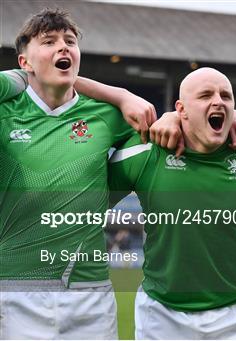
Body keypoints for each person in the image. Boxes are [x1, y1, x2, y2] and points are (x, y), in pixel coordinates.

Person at [0, 8, 163, 339]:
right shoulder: (6, 108)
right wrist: (120, 91)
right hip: (14, 289)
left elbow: (155, 138)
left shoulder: (109, 116)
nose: (63, 47)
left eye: (70, 41)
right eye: (49, 41)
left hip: (91, 293)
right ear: (24, 62)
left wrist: (132, 104)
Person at [107, 67, 236, 339]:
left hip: (232, 315)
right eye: (206, 95)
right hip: (160, 315)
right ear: (181, 109)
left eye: (226, 96)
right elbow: (84, 208)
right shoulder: (143, 150)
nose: (218, 101)